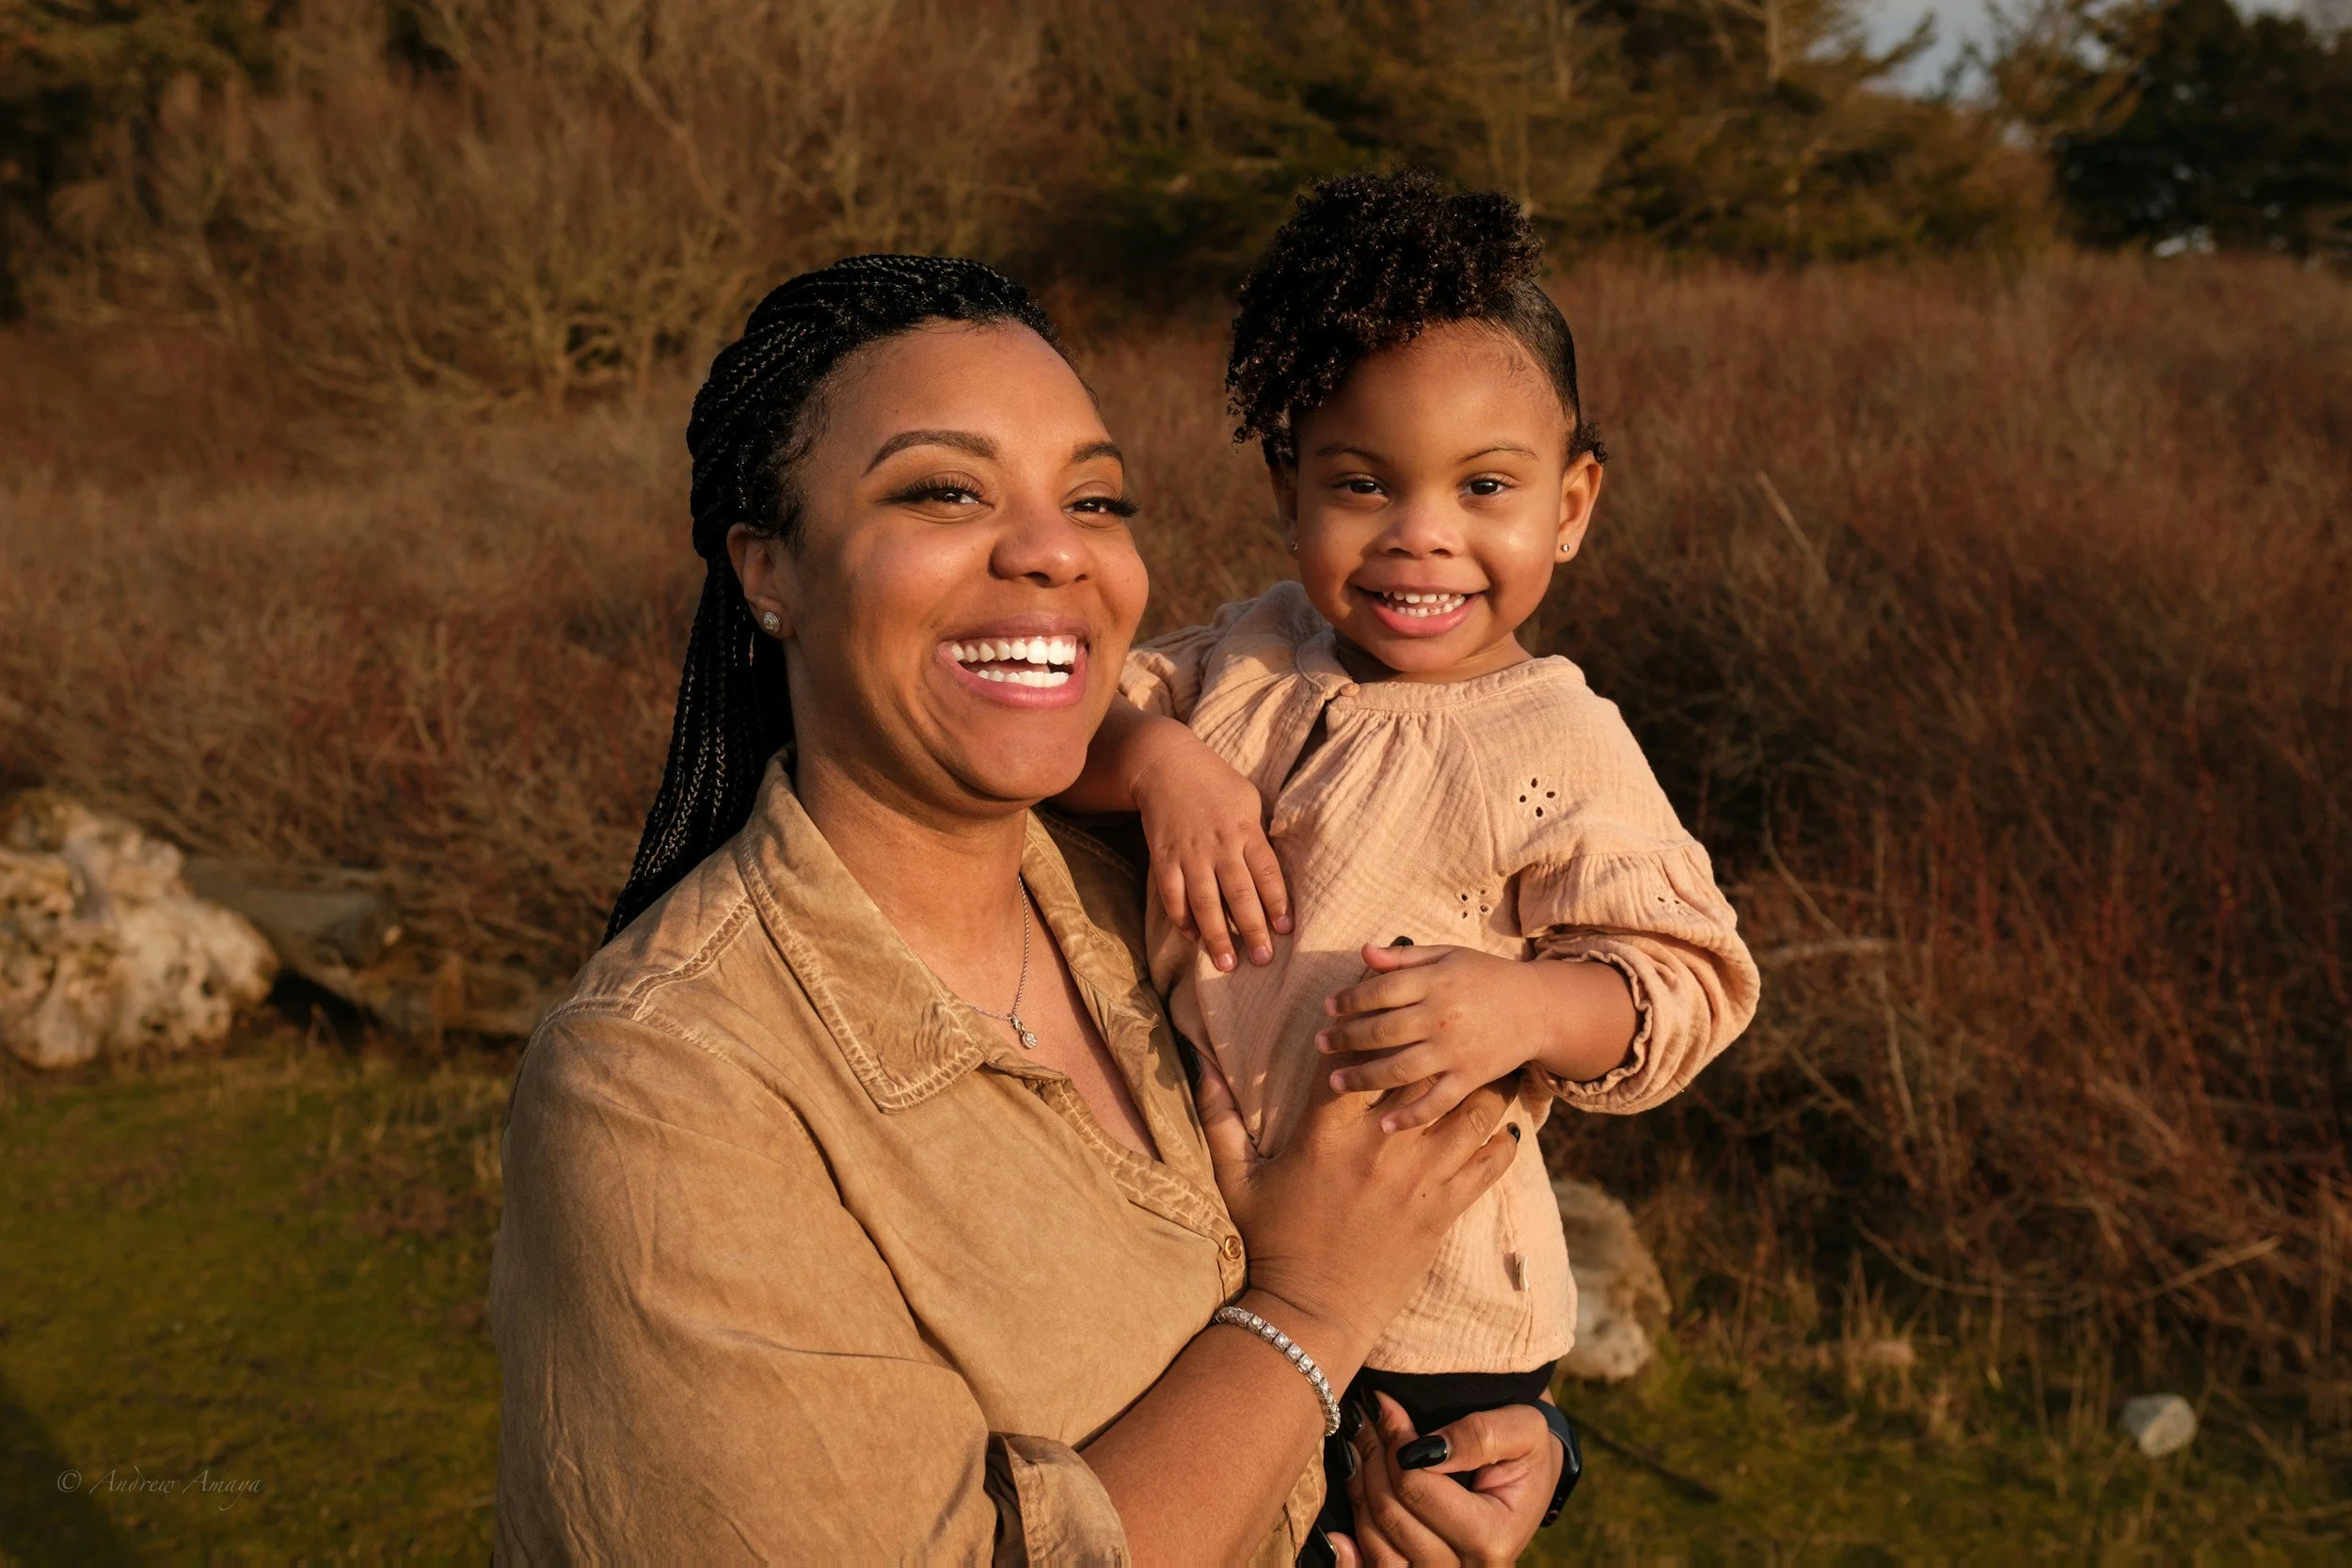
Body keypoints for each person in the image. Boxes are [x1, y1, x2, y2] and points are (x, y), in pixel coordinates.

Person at [489, 253, 1570, 1564]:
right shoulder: (661, 1085)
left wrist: (1491, 1450)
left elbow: (1430, 1219)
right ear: (768, 565)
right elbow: (1327, 1272)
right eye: (944, 489)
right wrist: (1309, 1309)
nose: (1055, 549)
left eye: (1097, 498)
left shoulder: (1174, 898)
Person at [1061, 173, 1761, 1536]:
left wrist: (1525, 1005)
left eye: (1484, 486)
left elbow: (1688, 975)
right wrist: (1157, 764)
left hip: (1441, 1310)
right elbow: (1059, 731)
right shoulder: (1247, 653)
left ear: (1571, 504)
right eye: (1363, 483)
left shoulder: (1552, 735)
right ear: (1289, 489)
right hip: (1216, 1253)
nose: (1421, 533)